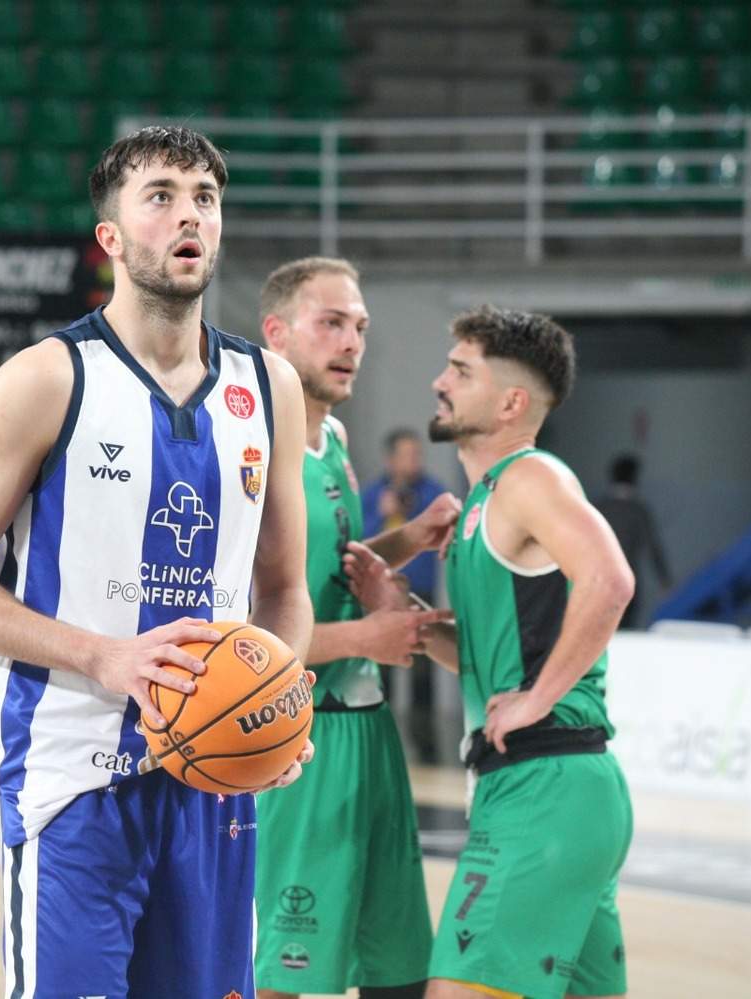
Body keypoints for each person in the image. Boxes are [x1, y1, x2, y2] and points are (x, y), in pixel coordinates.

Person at [0, 126, 315, 999]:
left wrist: (285, 699)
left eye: (204, 197)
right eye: (160, 196)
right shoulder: (47, 378)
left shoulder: (269, 385)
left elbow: (284, 588)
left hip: (212, 779)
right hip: (73, 772)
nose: (188, 214)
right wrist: (105, 656)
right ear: (113, 238)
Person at [350, 305, 635, 999]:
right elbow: (487, 658)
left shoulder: (530, 479)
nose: (438, 382)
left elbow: (611, 579)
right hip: (554, 790)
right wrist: (406, 617)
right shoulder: (483, 502)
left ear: (511, 401)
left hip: (548, 784)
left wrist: (538, 698)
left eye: (459, 370)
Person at [256, 258, 456, 999]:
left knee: (398, 967)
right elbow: (238, 634)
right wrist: (366, 638)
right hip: (298, 736)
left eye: (361, 327)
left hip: (369, 732)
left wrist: (411, 540)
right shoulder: (246, 450)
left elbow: (330, 572)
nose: (352, 342)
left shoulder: (333, 440)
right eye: (331, 322)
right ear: (276, 334)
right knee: (285, 964)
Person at [362, 427, 450, 761]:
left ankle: (427, 748)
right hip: (378, 597)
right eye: (407, 454)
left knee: (423, 675)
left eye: (418, 454)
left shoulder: (432, 494)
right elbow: (356, 541)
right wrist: (381, 515)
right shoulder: (371, 495)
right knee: (381, 675)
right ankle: (380, 747)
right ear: (390, 458)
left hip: (420, 592)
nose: (414, 460)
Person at [593, 453, 670, 629]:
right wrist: (665, 580)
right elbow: (653, 547)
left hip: (599, 581)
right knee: (626, 630)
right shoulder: (639, 510)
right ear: (635, 478)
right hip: (628, 580)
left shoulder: (598, 507)